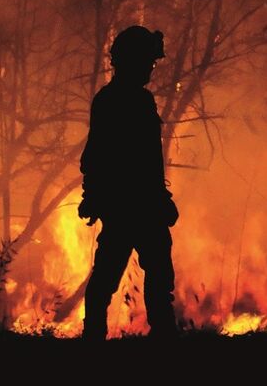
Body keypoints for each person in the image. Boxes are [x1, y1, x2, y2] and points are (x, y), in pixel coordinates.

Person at [79, 26, 179, 339]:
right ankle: (156, 335)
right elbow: (108, 155)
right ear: (132, 61)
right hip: (132, 203)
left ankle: (100, 335)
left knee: (130, 272)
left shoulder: (116, 99)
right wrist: (95, 194)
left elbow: (139, 158)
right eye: (148, 61)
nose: (151, 68)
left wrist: (95, 195)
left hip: (130, 203)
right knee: (129, 272)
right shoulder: (123, 101)